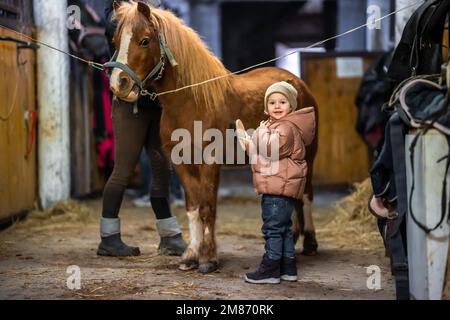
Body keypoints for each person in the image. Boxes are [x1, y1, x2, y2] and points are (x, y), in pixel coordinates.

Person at [98, 0, 187, 257]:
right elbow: (113, 27)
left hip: (156, 103)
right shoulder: (117, 15)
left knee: (162, 169)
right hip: (130, 105)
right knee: (123, 171)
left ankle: (169, 236)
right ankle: (109, 237)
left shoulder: (159, 10)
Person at [239, 81, 316, 284]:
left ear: (291, 106)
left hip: (278, 188)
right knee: (283, 228)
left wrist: (258, 134)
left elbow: (271, 150)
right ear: (266, 107)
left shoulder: (286, 127)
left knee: (272, 229)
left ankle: (270, 270)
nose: (277, 106)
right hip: (281, 184)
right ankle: (288, 267)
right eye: (272, 102)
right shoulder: (279, 127)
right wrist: (251, 145)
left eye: (283, 101)